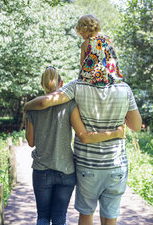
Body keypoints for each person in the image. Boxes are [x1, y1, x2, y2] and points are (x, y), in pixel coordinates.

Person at [24, 16, 142, 225]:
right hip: (116, 165)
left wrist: (27, 107)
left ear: (87, 55)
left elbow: (47, 102)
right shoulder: (125, 90)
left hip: (87, 166)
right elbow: (135, 126)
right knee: (110, 216)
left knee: (85, 214)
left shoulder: (77, 86)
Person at [25, 66, 127, 225]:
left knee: (43, 217)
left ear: (41, 84)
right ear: (62, 82)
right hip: (66, 171)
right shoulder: (70, 105)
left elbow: (31, 142)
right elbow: (84, 135)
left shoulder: (31, 108)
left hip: (41, 170)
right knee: (59, 218)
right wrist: (116, 133)